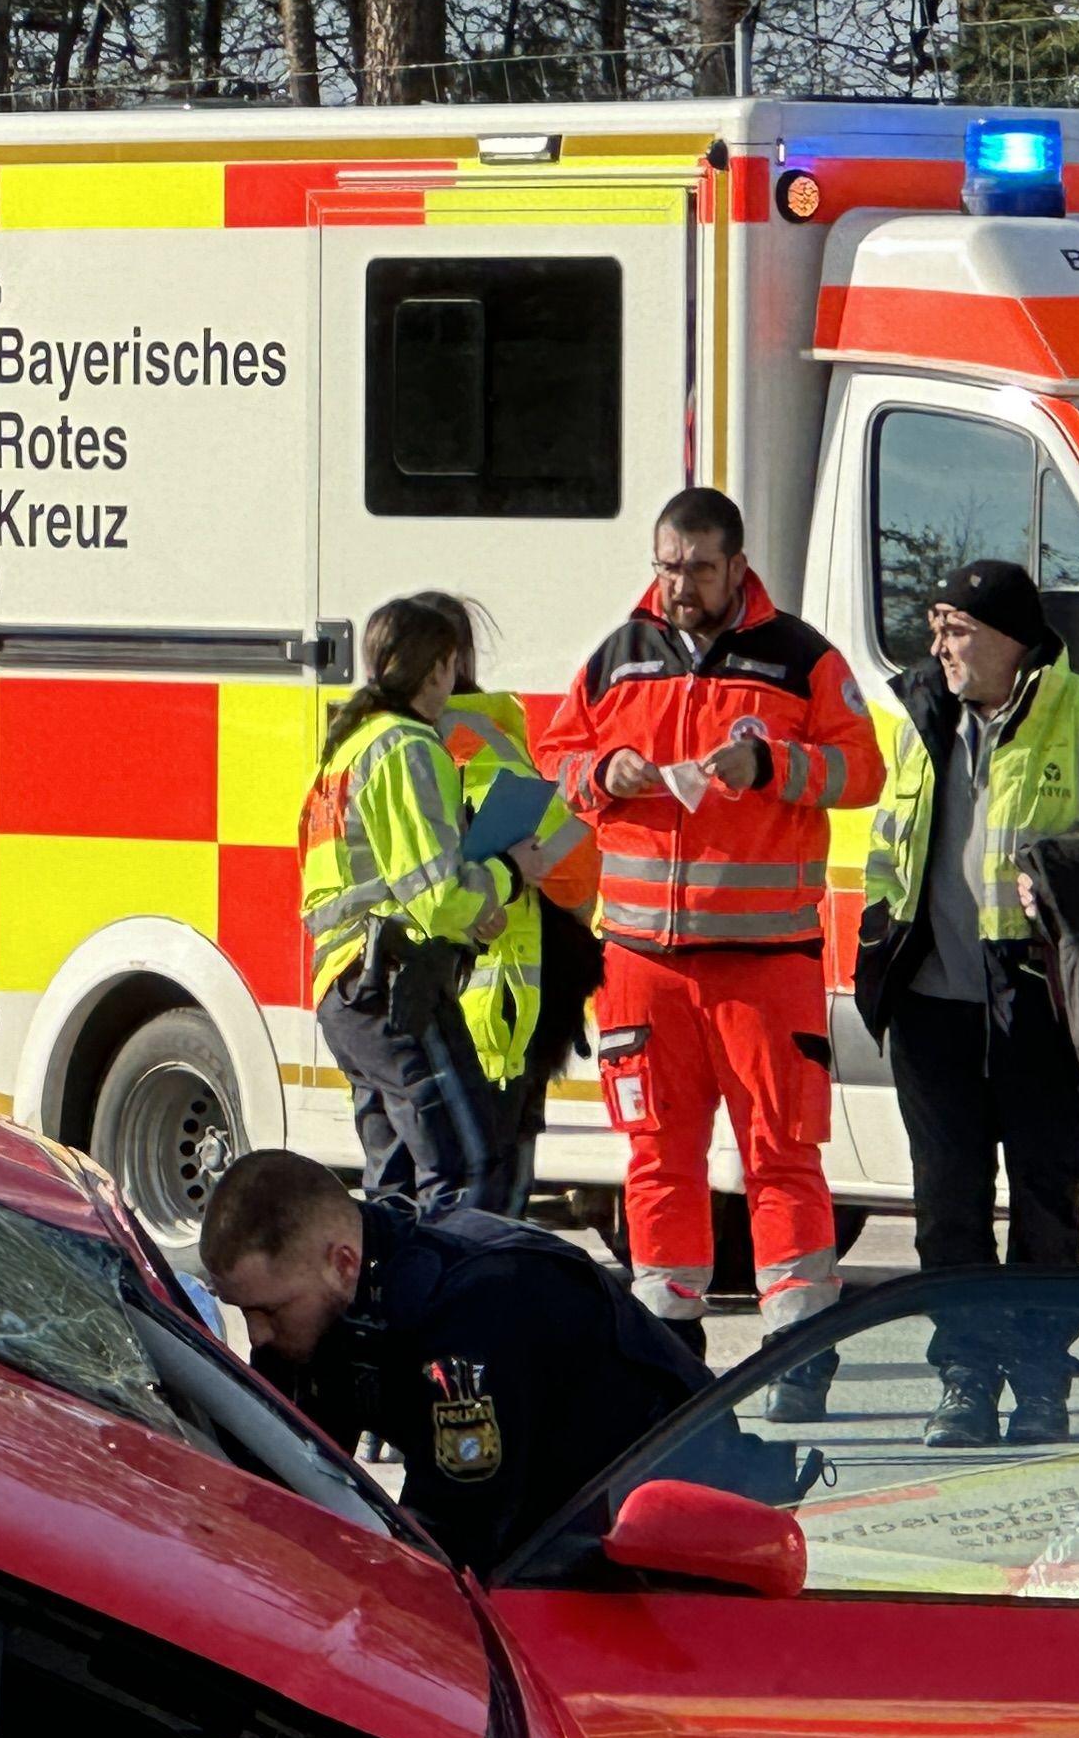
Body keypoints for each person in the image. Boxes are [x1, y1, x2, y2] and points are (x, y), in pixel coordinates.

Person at [537, 488, 881, 1361]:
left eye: (695, 567)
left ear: (735, 565)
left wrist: (773, 761)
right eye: (666, 565)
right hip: (643, 961)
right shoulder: (618, 658)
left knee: (781, 1156)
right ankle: (666, 1340)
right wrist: (601, 771)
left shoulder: (801, 658)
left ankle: (800, 1349)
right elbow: (555, 755)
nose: (677, 584)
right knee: (657, 1156)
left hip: (765, 962)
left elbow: (863, 769)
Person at [855, 557, 1079, 1448]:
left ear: (1008, 638)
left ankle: (1041, 1386)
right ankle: (964, 1383)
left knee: (1046, 1205)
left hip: (1040, 997)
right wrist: (881, 944)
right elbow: (890, 846)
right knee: (948, 1210)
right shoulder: (918, 718)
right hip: (933, 1004)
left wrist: (1075, 881)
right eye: (935, 627)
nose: (939, 645)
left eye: (955, 630)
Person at [199, 1148, 715, 1573]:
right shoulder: (333, 1301)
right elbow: (276, 1467)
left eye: (269, 1311)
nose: (258, 1335)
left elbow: (451, 1539)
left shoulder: (469, 1305)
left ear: (343, 1263)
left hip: (674, 1523)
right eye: (244, 1311)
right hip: (551, 1525)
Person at [302, 595, 550, 1211]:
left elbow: (395, 884)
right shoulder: (408, 746)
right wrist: (511, 873)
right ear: (441, 667)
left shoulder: (349, 745)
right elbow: (438, 898)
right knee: (468, 1169)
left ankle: (386, 1305)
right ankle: (450, 1308)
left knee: (396, 1185)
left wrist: (470, 906)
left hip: (348, 991)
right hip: (394, 990)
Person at [435, 609, 599, 1220]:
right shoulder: (490, 744)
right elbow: (580, 873)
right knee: (491, 1206)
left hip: (405, 1009)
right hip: (499, 1015)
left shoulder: (362, 748)